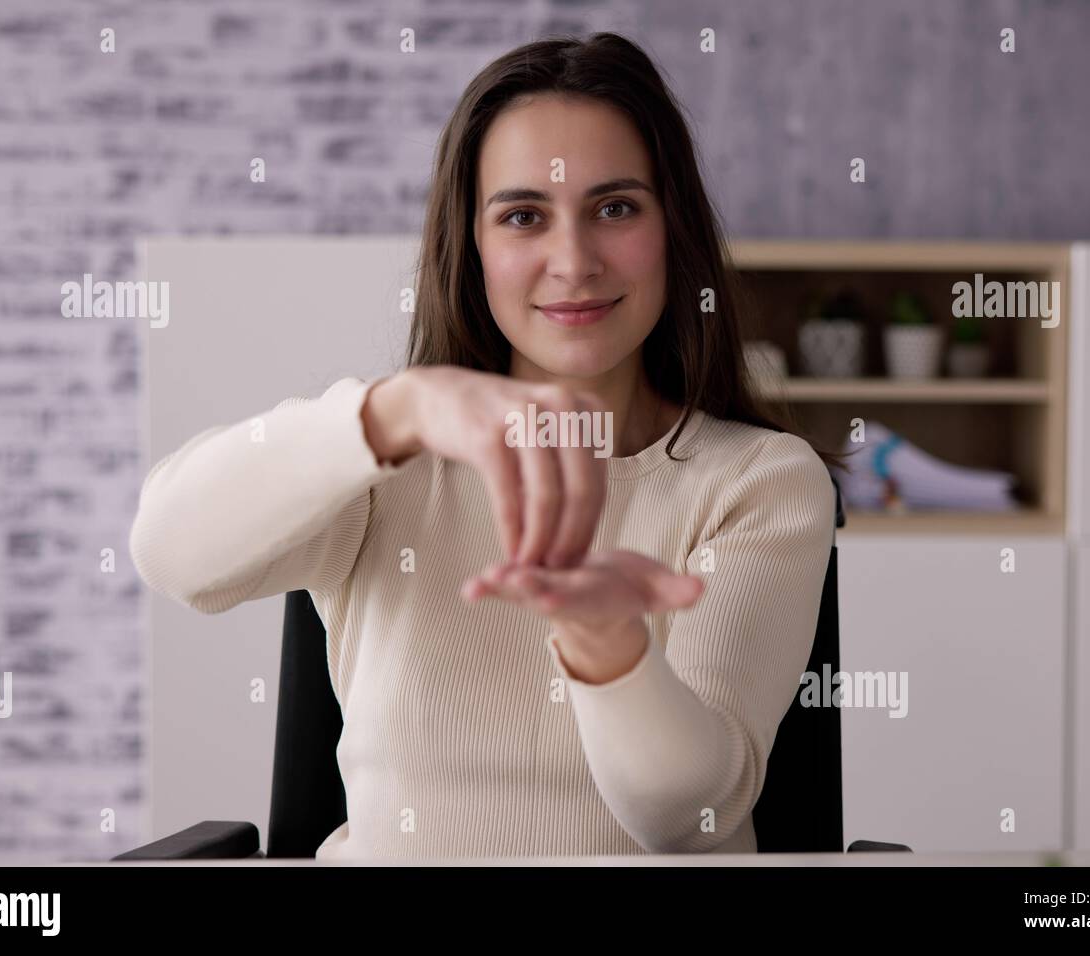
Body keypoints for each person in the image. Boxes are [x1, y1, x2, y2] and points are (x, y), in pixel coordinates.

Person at [129, 32, 842, 860]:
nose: (573, 262)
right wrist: (390, 414)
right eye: (523, 216)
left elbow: (692, 820)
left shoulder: (758, 482)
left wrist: (609, 646)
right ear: (471, 244)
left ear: (672, 227)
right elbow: (168, 552)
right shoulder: (383, 461)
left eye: (615, 208)